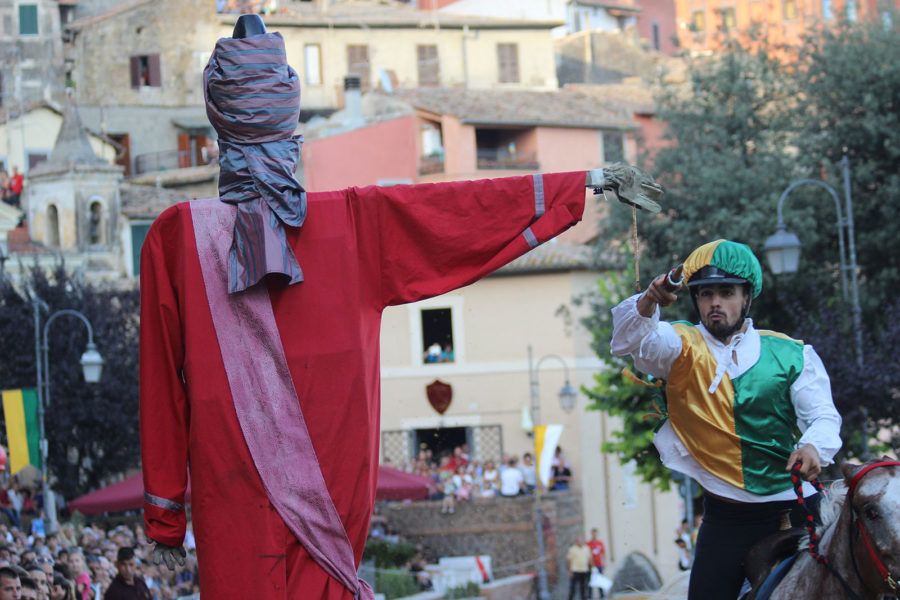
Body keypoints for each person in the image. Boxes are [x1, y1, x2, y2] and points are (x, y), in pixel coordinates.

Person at [140, 17, 662, 600]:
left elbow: (161, 390)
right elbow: (459, 211)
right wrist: (585, 181)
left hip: (229, 503)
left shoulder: (177, 237)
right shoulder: (354, 223)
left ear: (220, 134)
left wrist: (165, 514)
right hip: (331, 507)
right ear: (293, 134)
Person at [610, 239, 842, 600]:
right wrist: (650, 300)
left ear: (746, 297)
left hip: (800, 507)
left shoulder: (792, 354)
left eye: (726, 292)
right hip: (727, 520)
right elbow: (628, 340)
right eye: (705, 294)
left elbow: (824, 416)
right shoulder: (678, 345)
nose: (715, 302)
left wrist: (814, 445)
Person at [566, 536, 591, 600]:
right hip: (575, 571)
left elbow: (589, 559)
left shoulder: (586, 549)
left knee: (583, 588)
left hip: (584, 570)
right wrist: (570, 571)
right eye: (578, 541)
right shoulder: (572, 549)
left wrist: (590, 569)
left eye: (580, 540)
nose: (579, 542)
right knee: (573, 588)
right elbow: (569, 560)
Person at [586, 528, 606, 599]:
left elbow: (603, 553)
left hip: (599, 565)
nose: (595, 535)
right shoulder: (588, 544)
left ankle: (602, 595)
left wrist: (604, 563)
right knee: (591, 581)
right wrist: (590, 563)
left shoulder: (600, 543)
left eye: (595, 534)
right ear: (592, 534)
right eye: (593, 534)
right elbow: (587, 554)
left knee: (600, 580)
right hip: (592, 566)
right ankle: (589, 596)